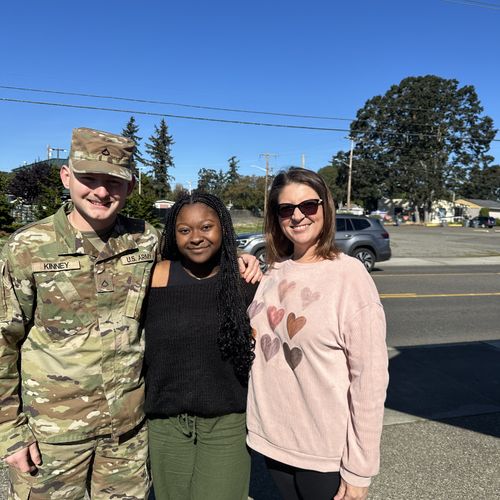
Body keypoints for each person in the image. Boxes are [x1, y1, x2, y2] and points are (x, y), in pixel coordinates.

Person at [0, 126, 261, 499]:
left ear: (130, 184)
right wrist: (10, 433)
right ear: (66, 176)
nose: (101, 191)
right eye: (89, 178)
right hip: (53, 436)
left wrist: (238, 260)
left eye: (114, 181)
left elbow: (193, 266)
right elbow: (3, 340)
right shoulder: (27, 247)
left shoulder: (146, 240)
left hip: (127, 435)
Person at [246, 167, 389, 500]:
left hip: (324, 453)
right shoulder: (274, 269)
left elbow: (369, 381)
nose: (298, 216)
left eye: (308, 205)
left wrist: (360, 470)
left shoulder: (349, 276)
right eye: (286, 209)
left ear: (326, 207)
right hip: (272, 440)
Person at [143, 192, 257, 500]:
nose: (196, 237)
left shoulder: (246, 281)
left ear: (223, 228)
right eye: (184, 230)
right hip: (166, 424)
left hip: (227, 423)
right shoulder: (156, 277)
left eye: (206, 227)